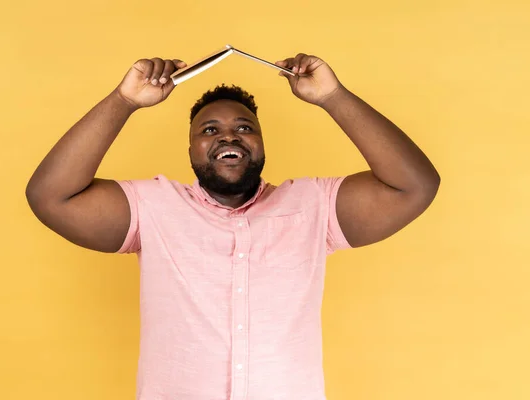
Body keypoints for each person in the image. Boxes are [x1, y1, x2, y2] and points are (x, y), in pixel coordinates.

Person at [26, 52, 440, 400]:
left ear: (261, 143)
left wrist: (333, 96)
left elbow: (414, 186)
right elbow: (50, 196)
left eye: (245, 128)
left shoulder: (314, 206)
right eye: (210, 130)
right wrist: (124, 100)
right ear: (190, 149)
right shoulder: (152, 207)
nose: (230, 137)